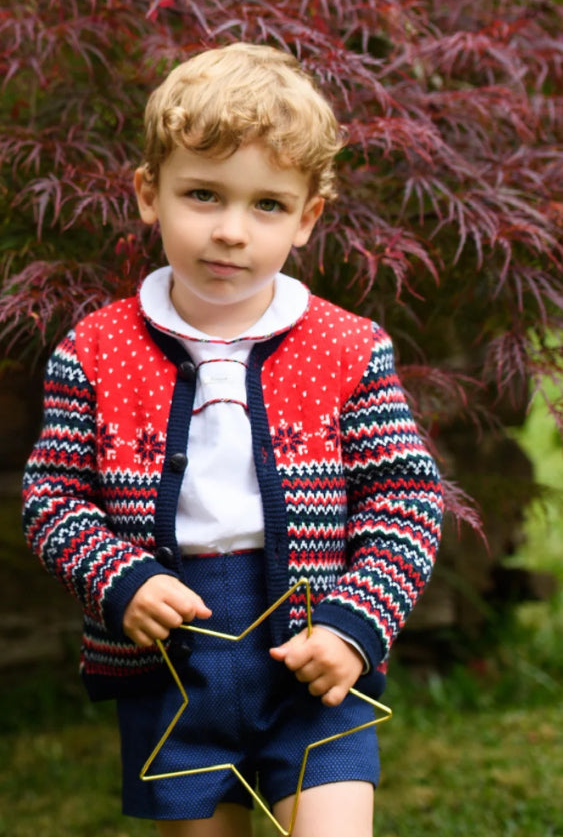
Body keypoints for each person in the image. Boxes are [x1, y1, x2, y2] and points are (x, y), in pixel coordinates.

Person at [22, 43, 443, 837]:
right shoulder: (95, 349)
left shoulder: (348, 348)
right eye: (202, 194)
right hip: (173, 654)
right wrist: (119, 578)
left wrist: (356, 622)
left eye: (267, 205)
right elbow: (52, 498)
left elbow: (405, 500)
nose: (229, 231)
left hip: (313, 647)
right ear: (149, 193)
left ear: (307, 218)